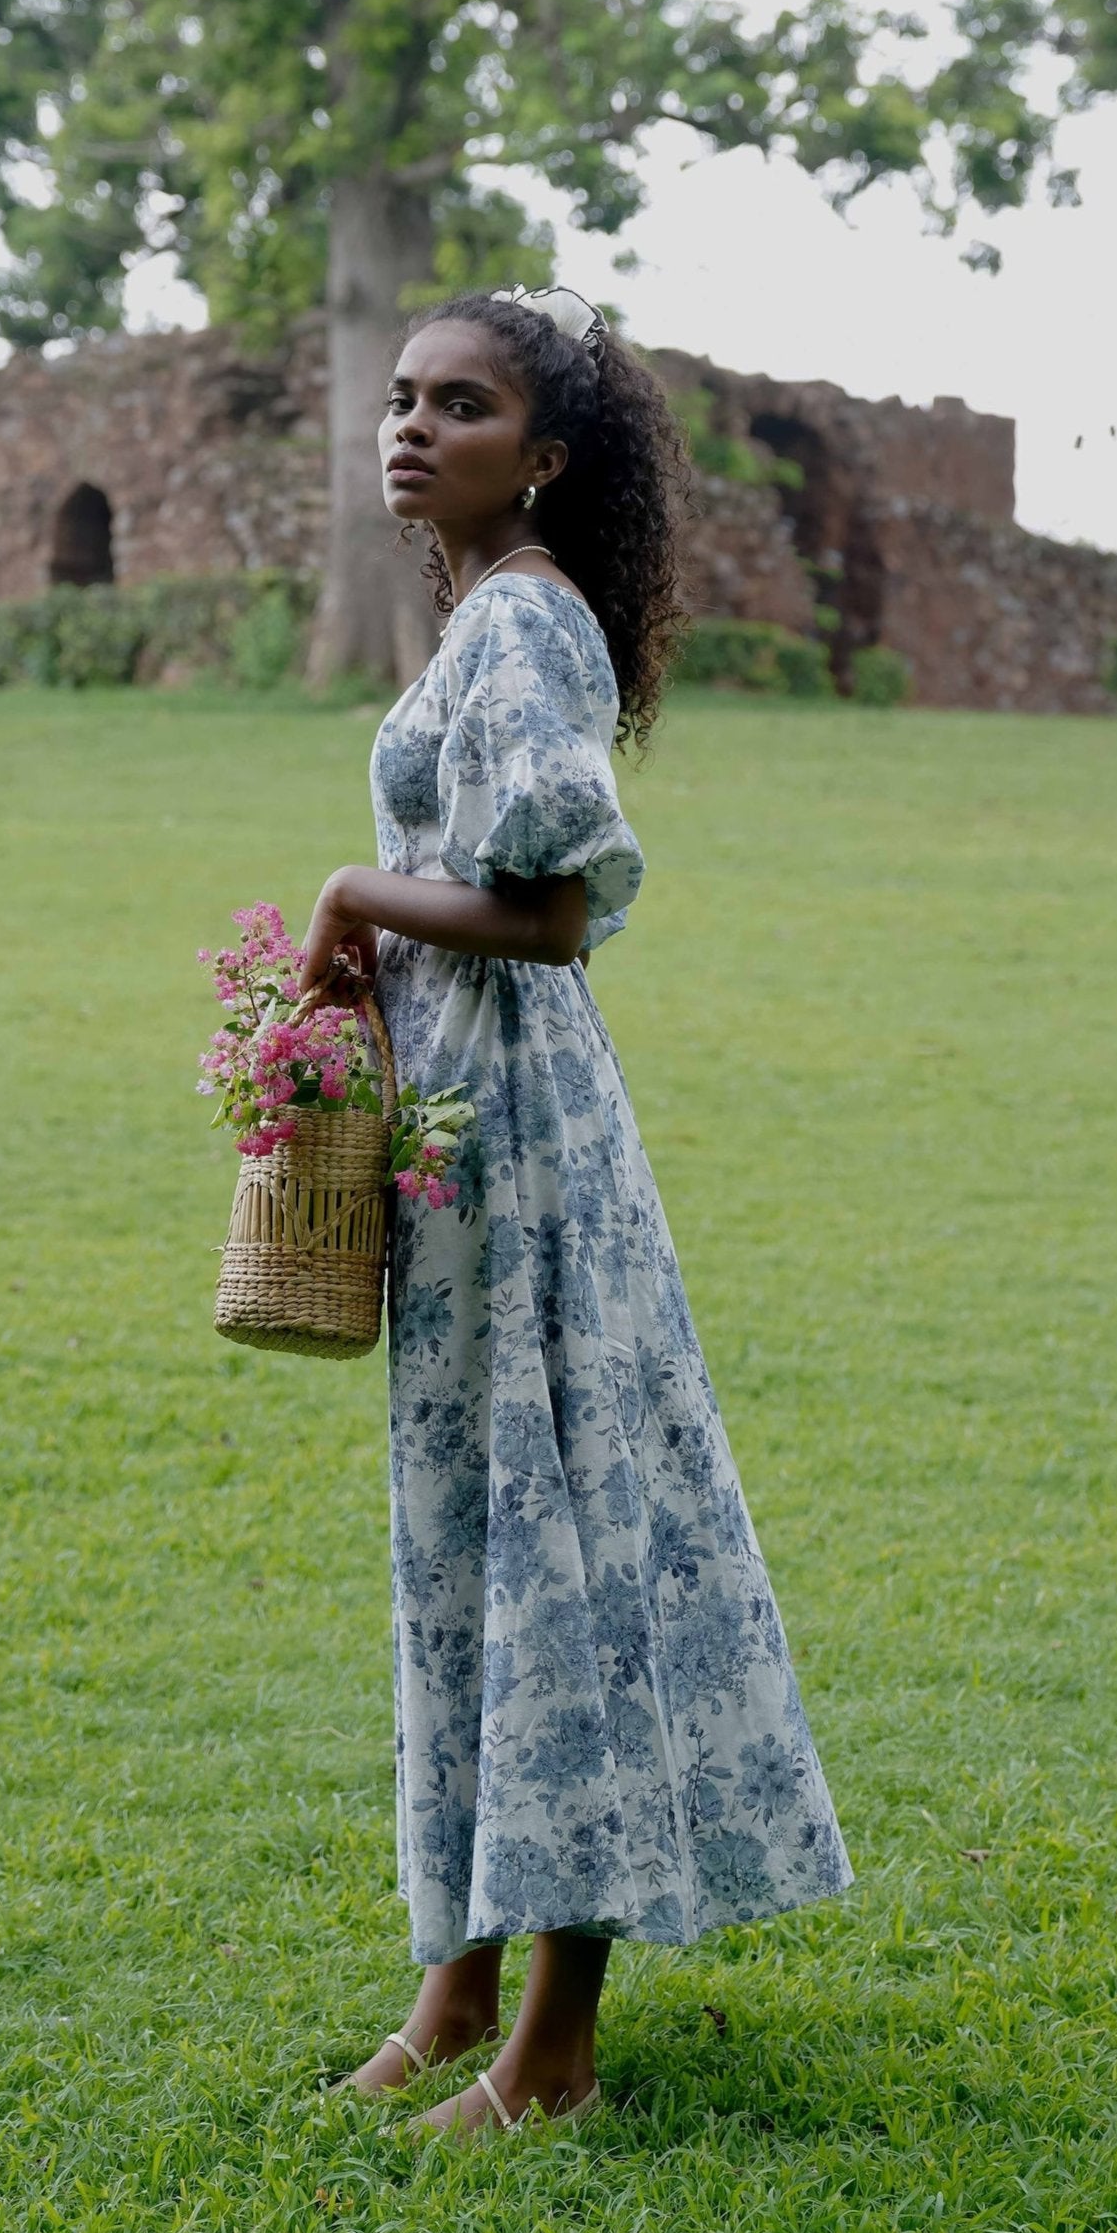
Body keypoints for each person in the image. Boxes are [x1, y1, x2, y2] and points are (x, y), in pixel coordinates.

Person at [299, 283, 850, 2138]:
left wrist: (349, 895)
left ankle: (556, 2036)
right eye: (399, 397)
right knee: (463, 1537)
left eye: (460, 405)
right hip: (470, 1125)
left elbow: (548, 911)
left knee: (550, 1536)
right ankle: (458, 1978)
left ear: (539, 459)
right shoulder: (481, 617)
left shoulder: (527, 623)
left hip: (526, 1147)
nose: (410, 425)